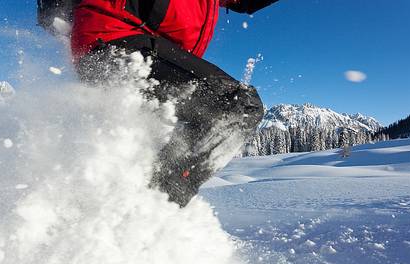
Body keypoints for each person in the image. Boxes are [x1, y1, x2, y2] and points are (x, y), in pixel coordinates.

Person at [38, 0, 278, 207]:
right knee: (237, 107)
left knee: (174, 140)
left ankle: (114, 205)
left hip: (139, 50)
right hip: (116, 38)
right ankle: (152, 207)